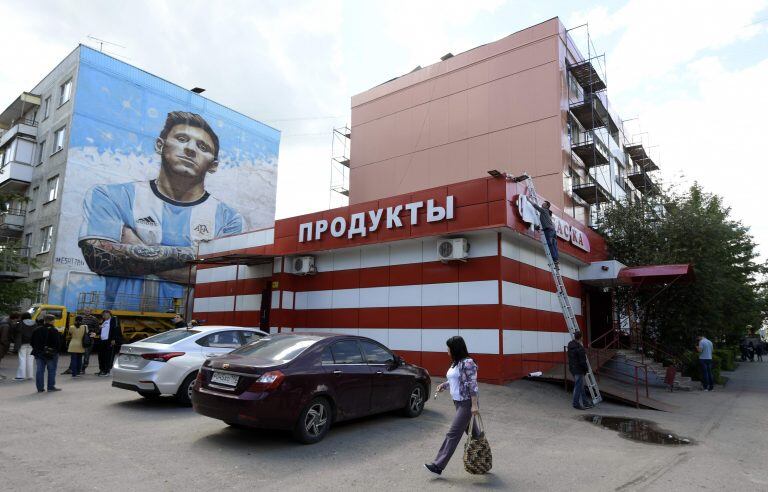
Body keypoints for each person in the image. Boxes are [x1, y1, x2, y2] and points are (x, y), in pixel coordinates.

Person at [78, 111, 244, 308]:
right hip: (121, 320)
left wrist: (137, 248)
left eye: (203, 147)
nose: (190, 149)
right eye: (182, 139)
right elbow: (99, 258)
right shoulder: (111, 195)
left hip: (193, 327)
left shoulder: (229, 218)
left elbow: (220, 274)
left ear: (213, 165)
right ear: (160, 144)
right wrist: (199, 255)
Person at [424, 336, 480, 476]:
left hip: (467, 404)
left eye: (448, 347)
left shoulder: (468, 363)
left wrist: (474, 405)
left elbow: (473, 385)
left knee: (453, 434)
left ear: (455, 348)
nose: (446, 350)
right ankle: (482, 460)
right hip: (458, 402)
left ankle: (438, 466)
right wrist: (445, 385)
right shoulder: (456, 363)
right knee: (476, 435)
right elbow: (456, 380)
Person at [31, 315, 62, 392]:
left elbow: (32, 342)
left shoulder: (37, 329)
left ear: (44, 320)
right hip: (51, 354)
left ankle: (40, 388)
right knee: (51, 370)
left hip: (38, 353)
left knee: (39, 371)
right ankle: (51, 387)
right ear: (52, 321)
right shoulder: (54, 330)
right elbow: (57, 344)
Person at [529, 197, 559, 266]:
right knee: (554, 245)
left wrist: (529, 200)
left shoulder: (544, 210)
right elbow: (544, 223)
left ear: (547, 206)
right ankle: (556, 260)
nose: (542, 204)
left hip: (549, 231)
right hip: (552, 231)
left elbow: (536, 206)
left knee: (550, 244)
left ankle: (554, 260)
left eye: (544, 204)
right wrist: (537, 227)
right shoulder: (545, 214)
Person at [568, 331, 594, 410]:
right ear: (581, 338)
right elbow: (583, 361)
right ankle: (576, 403)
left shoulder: (570, 345)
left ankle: (585, 402)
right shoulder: (580, 348)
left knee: (580, 385)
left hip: (572, 368)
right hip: (579, 370)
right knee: (578, 387)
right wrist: (586, 369)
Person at [96, 310, 123, 376]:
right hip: (102, 341)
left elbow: (116, 330)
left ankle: (107, 371)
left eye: (104, 314)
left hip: (109, 341)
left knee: (108, 356)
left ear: (109, 314)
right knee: (101, 356)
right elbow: (102, 330)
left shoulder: (114, 320)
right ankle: (101, 370)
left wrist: (114, 339)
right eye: (103, 315)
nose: (103, 316)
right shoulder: (104, 322)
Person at [13, 313, 36, 381]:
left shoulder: (20, 323)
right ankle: (30, 376)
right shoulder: (35, 323)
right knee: (30, 360)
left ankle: (21, 376)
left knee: (22, 359)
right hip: (32, 344)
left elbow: (16, 332)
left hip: (22, 343)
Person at [80, 308, 100, 374]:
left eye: (88, 311)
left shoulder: (94, 319)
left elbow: (97, 329)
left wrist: (92, 332)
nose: (87, 312)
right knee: (79, 354)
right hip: (80, 338)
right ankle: (77, 368)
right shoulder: (81, 318)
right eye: (85, 311)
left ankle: (83, 369)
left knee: (86, 354)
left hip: (89, 339)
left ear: (91, 311)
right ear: (83, 311)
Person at [0, 312, 19, 379]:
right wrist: (6, 345)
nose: (16, 322)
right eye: (17, 320)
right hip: (1, 345)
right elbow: (4, 337)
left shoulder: (4, 321)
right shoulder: (6, 326)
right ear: (14, 319)